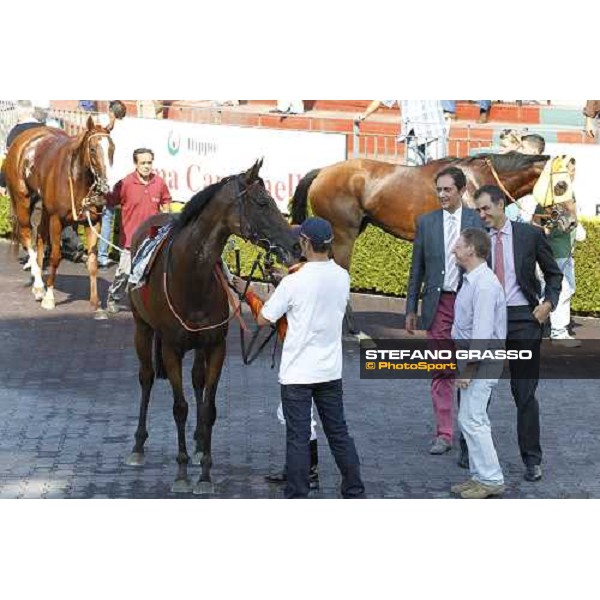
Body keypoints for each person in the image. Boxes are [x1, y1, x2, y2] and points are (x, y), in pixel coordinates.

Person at [235, 217, 365, 499]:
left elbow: (263, 318)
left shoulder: (294, 282)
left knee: (297, 438)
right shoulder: (342, 277)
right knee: (338, 433)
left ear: (305, 242)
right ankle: (354, 490)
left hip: (297, 374)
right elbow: (316, 291)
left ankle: (297, 495)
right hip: (330, 371)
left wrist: (253, 294)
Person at [473, 185, 563, 482]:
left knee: (524, 393)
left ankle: (532, 460)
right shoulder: (476, 239)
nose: (481, 214)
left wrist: (548, 304)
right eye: (478, 210)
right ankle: (470, 452)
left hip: (524, 319)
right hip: (488, 322)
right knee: (476, 391)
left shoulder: (529, 235)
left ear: (501, 205)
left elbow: (553, 273)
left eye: (486, 208)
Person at [405, 166, 484, 455]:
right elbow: (417, 268)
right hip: (437, 306)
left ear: (462, 191)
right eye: (438, 189)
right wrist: (411, 307)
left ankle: (469, 433)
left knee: (468, 368)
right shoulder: (426, 222)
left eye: (447, 189)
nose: (441, 194)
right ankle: (444, 433)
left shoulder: (477, 221)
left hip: (469, 305)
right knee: (441, 370)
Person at [451, 228, 507, 499]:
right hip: (476, 358)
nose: (454, 249)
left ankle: (491, 479)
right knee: (469, 418)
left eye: (459, 245)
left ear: (471, 249)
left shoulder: (483, 284)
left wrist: (468, 368)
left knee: (473, 418)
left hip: (482, 361)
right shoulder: (475, 280)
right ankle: (480, 476)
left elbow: (482, 332)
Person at [102, 148, 171, 315]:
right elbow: (109, 200)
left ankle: (147, 302)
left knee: (152, 272)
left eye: (149, 163)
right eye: (143, 163)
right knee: (125, 272)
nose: (147, 166)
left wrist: (167, 217)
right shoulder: (125, 184)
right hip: (130, 240)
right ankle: (114, 296)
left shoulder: (159, 183)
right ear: (136, 164)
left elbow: (166, 201)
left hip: (153, 239)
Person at [355, 100, 448, 165]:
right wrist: (365, 114)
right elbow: (380, 100)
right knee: (413, 173)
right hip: (412, 133)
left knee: (437, 170)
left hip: (433, 131)